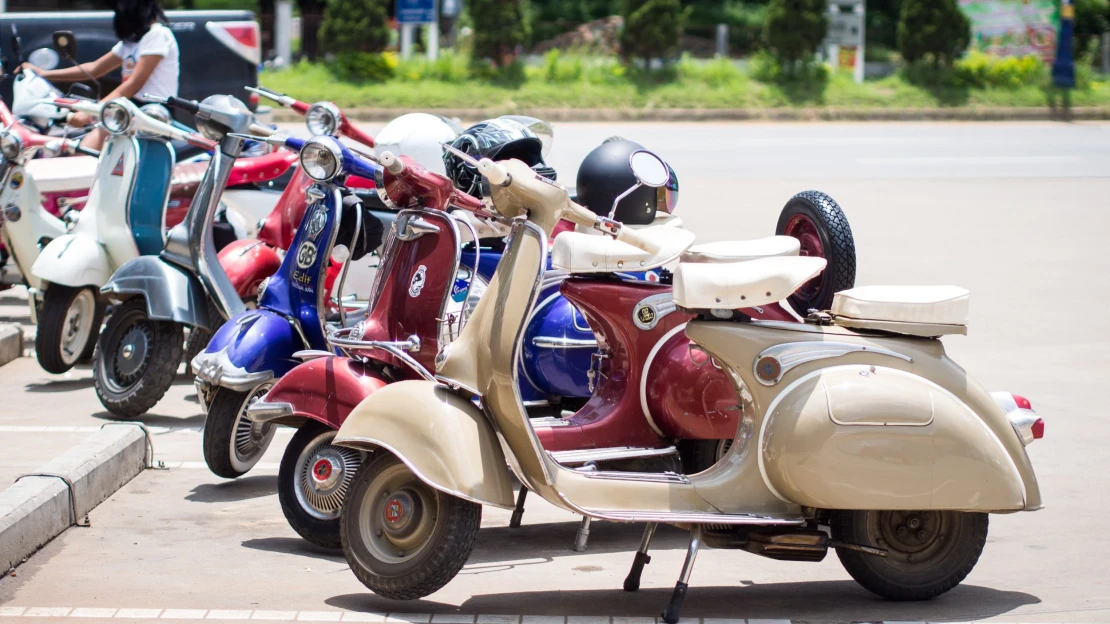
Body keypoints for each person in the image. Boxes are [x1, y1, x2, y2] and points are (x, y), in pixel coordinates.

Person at [22, 0, 180, 149]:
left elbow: (133, 84)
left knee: (102, 158)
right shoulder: (132, 41)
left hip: (153, 113)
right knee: (84, 151)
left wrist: (93, 112)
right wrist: (45, 74)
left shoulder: (158, 35)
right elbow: (94, 68)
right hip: (129, 108)